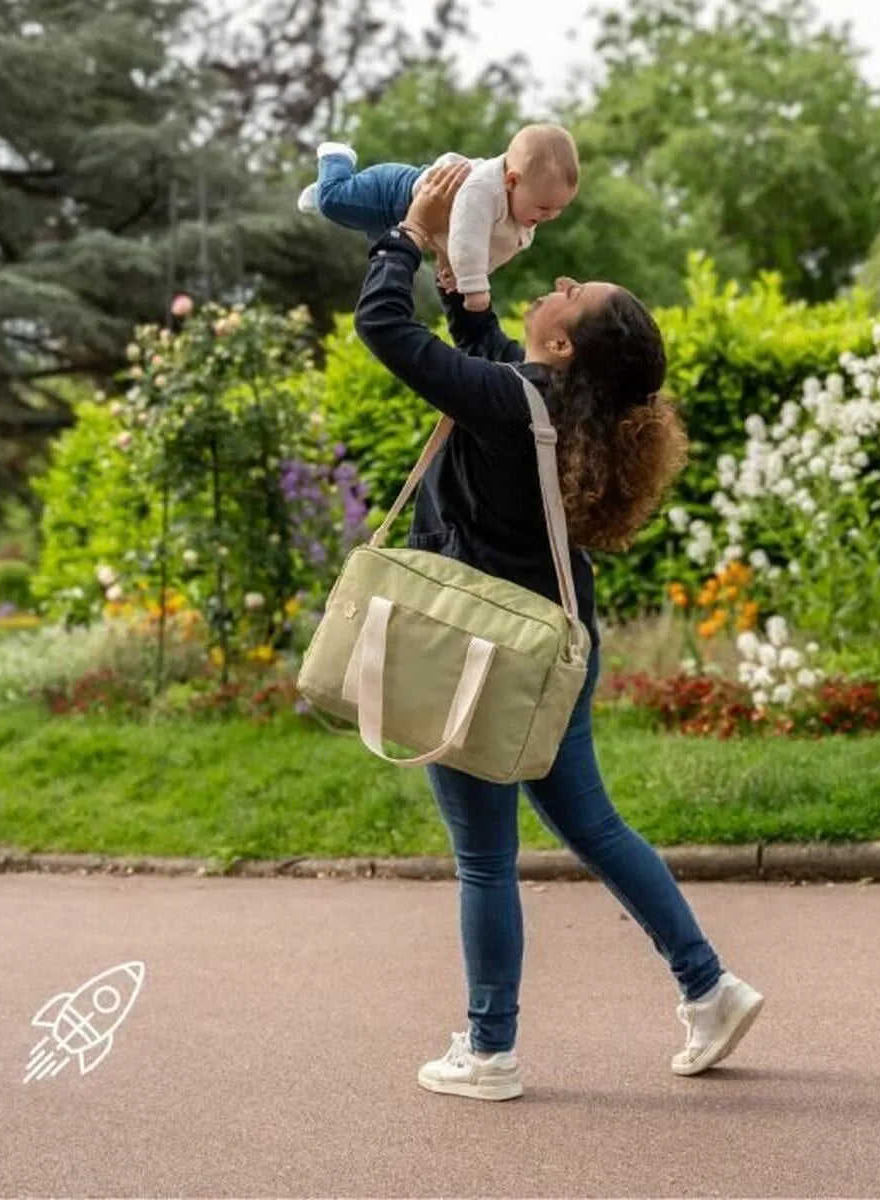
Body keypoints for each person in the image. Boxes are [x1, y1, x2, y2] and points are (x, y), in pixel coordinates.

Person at [352, 163, 764, 1102]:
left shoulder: (514, 405)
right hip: (554, 649)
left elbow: (385, 330)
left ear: (567, 348)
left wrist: (409, 237)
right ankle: (709, 986)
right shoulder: (548, 406)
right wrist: (468, 287)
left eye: (578, 297)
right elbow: (486, 354)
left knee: (485, 858)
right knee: (594, 824)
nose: (565, 283)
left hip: (478, 651)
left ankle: (490, 1052)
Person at [299, 124, 579, 312]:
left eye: (559, 209)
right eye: (544, 208)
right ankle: (336, 158)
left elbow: (489, 249)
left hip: (412, 222)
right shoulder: (482, 190)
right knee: (333, 201)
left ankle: (330, 189)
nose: (551, 216)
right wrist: (474, 288)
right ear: (511, 180)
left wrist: (454, 273)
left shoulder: (520, 212)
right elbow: (468, 240)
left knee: (360, 225)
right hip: (395, 195)